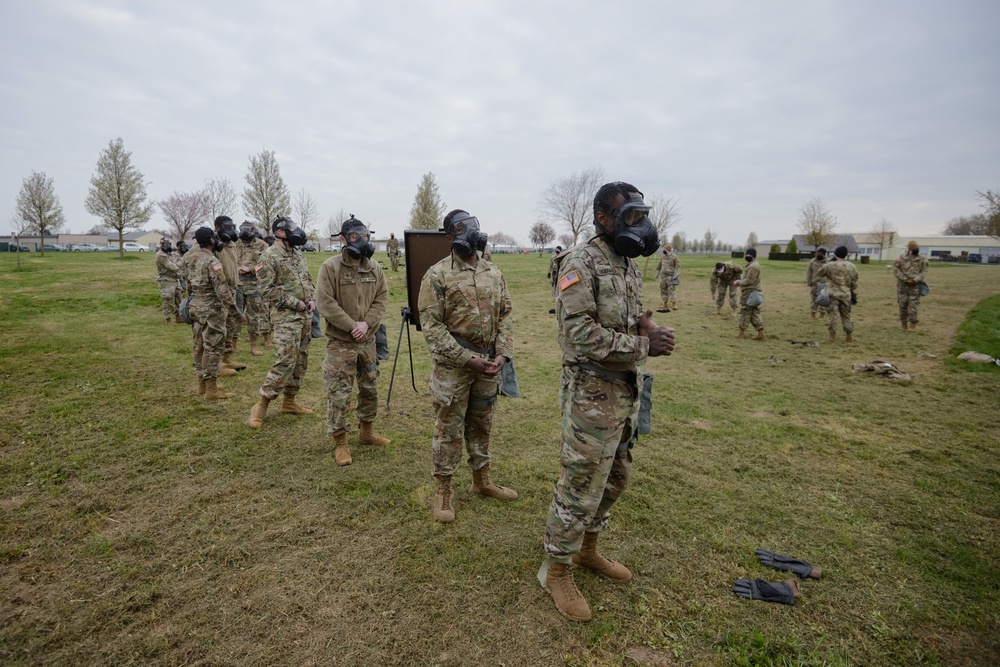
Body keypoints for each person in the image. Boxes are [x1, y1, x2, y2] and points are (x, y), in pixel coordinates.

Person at [538, 181, 675, 622]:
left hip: (623, 390)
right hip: (591, 391)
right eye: (630, 216)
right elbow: (578, 335)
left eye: (641, 215)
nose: (640, 225)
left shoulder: (628, 264)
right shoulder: (579, 261)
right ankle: (556, 570)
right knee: (580, 483)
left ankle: (588, 551)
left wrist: (647, 327)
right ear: (603, 217)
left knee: (616, 477)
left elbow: (628, 317)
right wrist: (642, 346)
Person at [417, 209, 516, 524]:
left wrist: (502, 354)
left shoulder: (494, 272)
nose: (471, 232)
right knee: (448, 429)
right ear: (449, 237)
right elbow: (431, 328)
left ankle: (481, 481)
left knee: (481, 424)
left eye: (473, 226)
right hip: (454, 369)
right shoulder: (436, 275)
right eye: (462, 228)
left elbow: (507, 315)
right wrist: (465, 358)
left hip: (488, 364)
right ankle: (444, 490)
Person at [315, 216, 390, 466]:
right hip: (341, 343)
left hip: (368, 340)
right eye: (356, 236)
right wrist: (351, 326)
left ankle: (366, 431)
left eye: (365, 235)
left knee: (370, 387)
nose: (362, 240)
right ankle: (341, 442)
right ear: (344, 239)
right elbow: (325, 302)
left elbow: (381, 298)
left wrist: (366, 324)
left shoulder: (375, 267)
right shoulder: (330, 267)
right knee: (339, 393)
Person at [247, 217, 317, 428]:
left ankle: (289, 401)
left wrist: (312, 298)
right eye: (291, 229)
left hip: (305, 317)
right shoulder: (268, 257)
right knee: (285, 360)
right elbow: (266, 290)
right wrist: (296, 303)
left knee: (301, 360)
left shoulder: (298, 254)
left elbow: (308, 280)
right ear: (280, 232)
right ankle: (261, 404)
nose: (297, 232)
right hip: (286, 318)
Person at [187, 227, 245, 400]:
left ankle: (202, 385)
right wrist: (236, 313)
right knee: (213, 348)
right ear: (212, 240)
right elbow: (222, 290)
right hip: (212, 309)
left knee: (199, 346)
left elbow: (188, 284)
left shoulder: (191, 259)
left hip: (196, 306)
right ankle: (212, 389)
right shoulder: (212, 262)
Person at [213, 216, 246, 371]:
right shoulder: (211, 243)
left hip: (233, 288)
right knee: (218, 327)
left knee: (230, 324)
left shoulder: (232, 244)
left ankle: (226, 358)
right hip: (219, 290)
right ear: (217, 228)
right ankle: (216, 364)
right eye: (227, 227)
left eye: (233, 227)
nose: (231, 231)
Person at [236, 221, 272, 356]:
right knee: (236, 315)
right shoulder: (235, 244)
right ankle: (232, 345)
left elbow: (265, 263)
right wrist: (236, 268)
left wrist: (251, 269)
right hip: (237, 285)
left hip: (254, 286)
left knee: (254, 317)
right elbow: (228, 261)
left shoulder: (262, 245)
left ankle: (254, 346)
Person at [815, 246, 859, 343]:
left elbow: (820, 273)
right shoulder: (852, 266)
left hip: (832, 294)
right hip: (846, 295)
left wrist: (830, 261)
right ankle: (849, 336)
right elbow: (854, 282)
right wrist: (854, 295)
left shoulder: (830, 265)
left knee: (832, 316)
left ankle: (832, 337)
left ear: (835, 254)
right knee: (846, 315)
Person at [893, 240, 929, 330]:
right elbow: (896, 271)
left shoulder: (922, 259)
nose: (916, 250)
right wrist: (905, 279)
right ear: (909, 249)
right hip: (902, 286)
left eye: (917, 249)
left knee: (913, 305)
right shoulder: (900, 258)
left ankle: (913, 324)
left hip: (915, 286)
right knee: (902, 304)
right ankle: (903, 323)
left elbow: (924, 271)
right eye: (914, 249)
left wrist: (915, 280)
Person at [733, 248, 765, 340]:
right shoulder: (752, 265)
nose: (747, 256)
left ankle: (741, 333)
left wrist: (739, 282)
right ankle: (761, 333)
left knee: (745, 311)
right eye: (746, 254)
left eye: (749, 255)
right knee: (754, 313)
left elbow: (750, 281)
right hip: (752, 292)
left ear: (753, 256)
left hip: (750, 293)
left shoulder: (753, 267)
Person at [155, 238, 182, 323]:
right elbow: (173, 267)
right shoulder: (161, 255)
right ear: (161, 245)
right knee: (168, 299)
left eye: (169, 244)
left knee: (179, 299)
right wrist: (180, 265)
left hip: (175, 279)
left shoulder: (169, 254)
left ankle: (178, 317)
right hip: (166, 280)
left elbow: (177, 262)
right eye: (166, 244)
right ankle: (168, 319)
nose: (168, 246)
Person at [655, 244, 680, 311]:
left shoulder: (675, 257)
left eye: (665, 250)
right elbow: (659, 265)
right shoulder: (662, 257)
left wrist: (675, 276)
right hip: (663, 277)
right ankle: (665, 303)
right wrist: (657, 273)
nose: (664, 251)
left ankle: (674, 304)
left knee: (671, 290)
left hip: (670, 277)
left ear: (669, 250)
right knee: (663, 290)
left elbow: (677, 267)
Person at [805, 248, 829, 319]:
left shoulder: (828, 262)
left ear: (824, 254)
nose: (818, 255)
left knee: (823, 299)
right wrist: (809, 282)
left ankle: (822, 315)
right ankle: (813, 314)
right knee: (814, 299)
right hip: (814, 283)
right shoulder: (812, 261)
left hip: (824, 284)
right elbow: (809, 272)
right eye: (818, 253)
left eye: (821, 254)